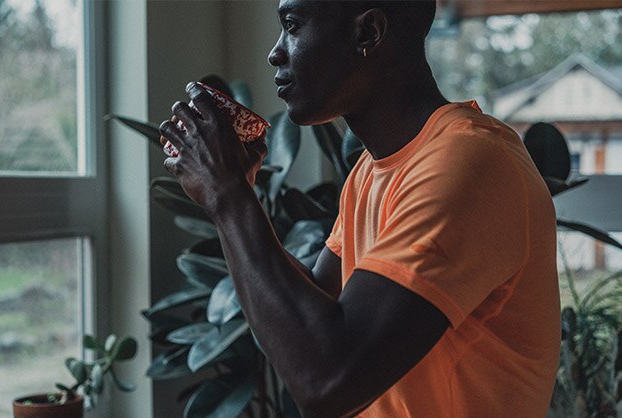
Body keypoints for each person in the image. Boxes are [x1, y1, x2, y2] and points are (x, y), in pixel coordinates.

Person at [159, 1, 561, 416]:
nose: (275, 53)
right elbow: (312, 311)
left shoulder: (470, 164)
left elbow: (327, 381)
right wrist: (233, 188)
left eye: (292, 26)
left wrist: (228, 198)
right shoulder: (370, 171)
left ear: (367, 33)